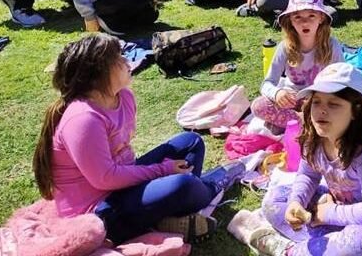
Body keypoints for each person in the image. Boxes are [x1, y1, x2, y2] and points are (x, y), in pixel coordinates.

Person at [33, 34, 230, 244]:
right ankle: (212, 185)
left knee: (190, 142)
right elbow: (105, 178)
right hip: (97, 211)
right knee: (183, 184)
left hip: (121, 186)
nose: (127, 61)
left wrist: (159, 172)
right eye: (119, 59)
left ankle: (171, 212)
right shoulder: (83, 119)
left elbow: (121, 166)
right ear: (97, 73)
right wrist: (162, 170)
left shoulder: (124, 97)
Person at [246, 63, 362, 256]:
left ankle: (291, 251)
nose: (321, 110)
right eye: (316, 102)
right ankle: (328, 244)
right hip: (340, 203)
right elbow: (308, 176)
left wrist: (325, 213)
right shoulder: (314, 136)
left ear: (356, 111)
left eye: (333, 104)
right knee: (273, 201)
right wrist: (296, 203)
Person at [251, 0, 344, 132]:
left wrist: (321, 98)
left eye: (311, 16)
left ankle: (299, 123)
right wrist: (277, 93)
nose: (304, 22)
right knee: (259, 106)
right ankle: (306, 123)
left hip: (321, 99)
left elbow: (342, 80)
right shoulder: (285, 47)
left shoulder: (332, 46)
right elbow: (267, 83)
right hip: (292, 99)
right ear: (290, 21)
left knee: (347, 107)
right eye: (298, 17)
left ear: (321, 18)